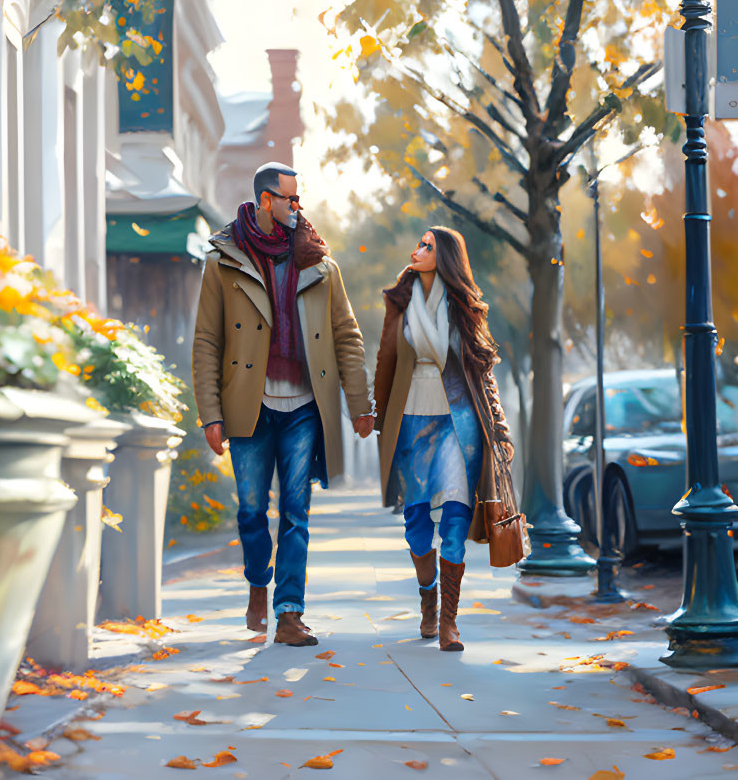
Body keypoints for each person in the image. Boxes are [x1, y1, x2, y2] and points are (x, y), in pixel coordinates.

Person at [192, 162, 375, 647]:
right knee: (252, 510)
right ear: (265, 200)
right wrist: (210, 412)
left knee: (296, 511)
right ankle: (258, 582)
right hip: (247, 405)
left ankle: (289, 612)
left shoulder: (319, 264)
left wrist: (361, 404)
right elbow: (207, 341)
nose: (297, 207)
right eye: (289, 199)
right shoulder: (224, 261)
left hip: (303, 407)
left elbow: (346, 338)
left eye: (300, 199)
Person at [373, 226, 517, 651]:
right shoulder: (399, 301)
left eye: (427, 246)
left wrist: (500, 428)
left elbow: (483, 372)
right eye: (418, 243)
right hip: (412, 420)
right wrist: (377, 418)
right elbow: (385, 361)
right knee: (417, 524)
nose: (416, 250)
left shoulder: (463, 306)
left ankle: (450, 623)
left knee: (455, 519)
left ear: (446, 257)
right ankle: (428, 602)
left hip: (460, 422)